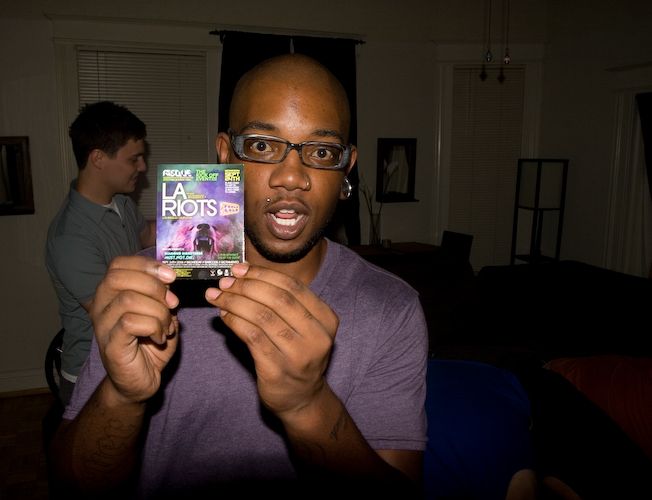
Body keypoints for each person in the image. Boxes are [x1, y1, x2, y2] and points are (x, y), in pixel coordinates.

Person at [48, 54, 428, 498]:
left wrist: (307, 405)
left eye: (322, 152)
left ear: (346, 166)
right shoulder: (152, 286)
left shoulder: (391, 310)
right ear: (225, 153)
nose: (291, 177)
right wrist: (121, 394)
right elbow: (71, 486)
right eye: (263, 146)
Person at [45, 101, 155, 408]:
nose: (142, 167)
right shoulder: (70, 237)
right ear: (98, 158)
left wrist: (208, 218)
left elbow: (148, 236)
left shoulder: (121, 202)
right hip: (91, 373)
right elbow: (114, 314)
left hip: (128, 360)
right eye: (134, 159)